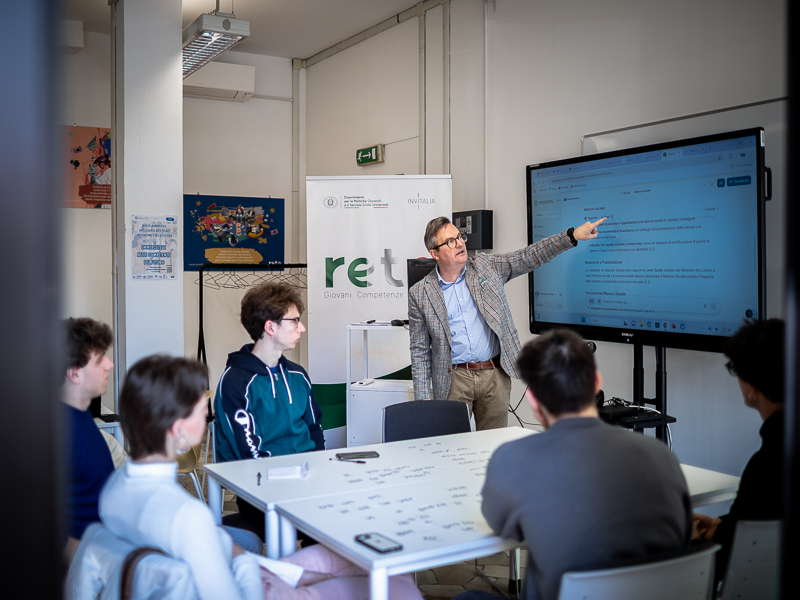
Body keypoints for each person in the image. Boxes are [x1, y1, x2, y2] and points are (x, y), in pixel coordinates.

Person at [101, 355, 422, 600]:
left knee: (372, 566)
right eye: (202, 410)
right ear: (179, 428)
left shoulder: (113, 490)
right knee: (396, 579)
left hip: (235, 569)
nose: (209, 415)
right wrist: (272, 573)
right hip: (257, 588)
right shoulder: (188, 516)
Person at [460, 329, 691, 600]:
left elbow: (500, 525)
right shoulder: (661, 456)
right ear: (596, 383)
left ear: (532, 398)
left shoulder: (511, 460)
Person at [409, 216, 606, 430]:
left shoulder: (486, 267)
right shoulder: (420, 293)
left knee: (493, 443)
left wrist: (571, 236)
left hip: (494, 375)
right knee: (452, 443)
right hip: (453, 380)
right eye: (450, 241)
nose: (459, 244)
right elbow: (420, 350)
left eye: (460, 237)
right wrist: (423, 398)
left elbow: (528, 256)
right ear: (435, 253)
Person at [214, 282, 325, 532]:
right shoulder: (235, 382)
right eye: (295, 321)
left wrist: (319, 472)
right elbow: (248, 452)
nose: (302, 328)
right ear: (270, 327)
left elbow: (315, 429)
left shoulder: (298, 375)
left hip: (305, 481)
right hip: (260, 489)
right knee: (326, 520)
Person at [692, 319, 785, 584]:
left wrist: (694, 541)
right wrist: (720, 525)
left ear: (752, 387)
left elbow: (723, 565)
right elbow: (761, 521)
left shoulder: (766, 466)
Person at [61, 317, 115, 564]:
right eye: (100, 359)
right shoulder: (60, 437)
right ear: (74, 374)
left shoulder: (81, 415)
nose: (109, 364)